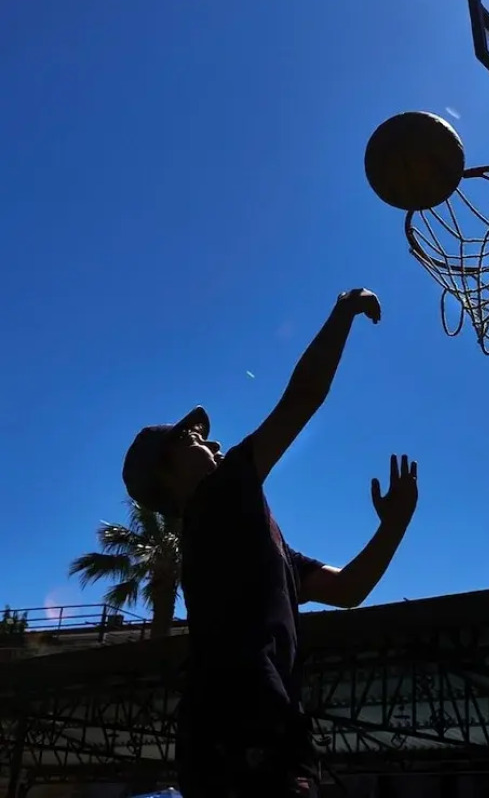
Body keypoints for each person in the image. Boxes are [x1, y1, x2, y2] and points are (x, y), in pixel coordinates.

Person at [122, 289, 419, 797]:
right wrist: (343, 310)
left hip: (259, 726)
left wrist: (392, 526)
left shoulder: (254, 539)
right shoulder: (218, 497)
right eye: (194, 442)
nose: (213, 442)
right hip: (239, 728)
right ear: (167, 478)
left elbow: (349, 589)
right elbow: (303, 398)